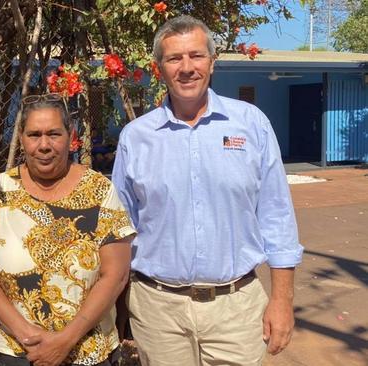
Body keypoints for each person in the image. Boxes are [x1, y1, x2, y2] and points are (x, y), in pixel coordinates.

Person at [112, 15, 304, 366]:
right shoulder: (136, 138)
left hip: (236, 308)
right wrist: (117, 309)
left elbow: (277, 218)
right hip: (158, 310)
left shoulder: (251, 125)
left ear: (212, 62)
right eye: (174, 58)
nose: (187, 68)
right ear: (160, 68)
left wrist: (281, 301)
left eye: (196, 56)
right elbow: (120, 230)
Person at [0, 94, 136, 366]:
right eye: (34, 134)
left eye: (54, 134)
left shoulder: (99, 190)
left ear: (70, 136)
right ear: (22, 138)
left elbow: (116, 275)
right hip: (13, 351)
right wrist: (27, 336)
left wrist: (65, 340)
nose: (44, 145)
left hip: (87, 351)